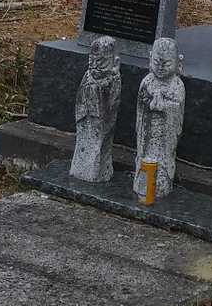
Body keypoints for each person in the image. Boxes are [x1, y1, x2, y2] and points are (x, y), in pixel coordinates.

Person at [134, 37, 185, 200]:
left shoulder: (177, 85)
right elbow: (141, 104)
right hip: (148, 132)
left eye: (167, 63)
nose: (161, 67)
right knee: (144, 157)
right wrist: (150, 104)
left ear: (178, 62)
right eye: (156, 62)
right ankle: (142, 183)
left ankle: (161, 185)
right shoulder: (147, 81)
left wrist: (165, 107)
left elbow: (177, 109)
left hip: (165, 135)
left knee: (163, 161)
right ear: (150, 58)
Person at [70, 35, 122, 183]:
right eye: (91, 61)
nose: (94, 66)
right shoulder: (88, 75)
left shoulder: (113, 79)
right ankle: (80, 169)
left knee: (98, 147)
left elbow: (112, 104)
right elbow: (80, 97)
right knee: (83, 144)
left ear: (114, 61)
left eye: (100, 62)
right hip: (85, 118)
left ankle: (97, 171)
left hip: (100, 120)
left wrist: (103, 87)